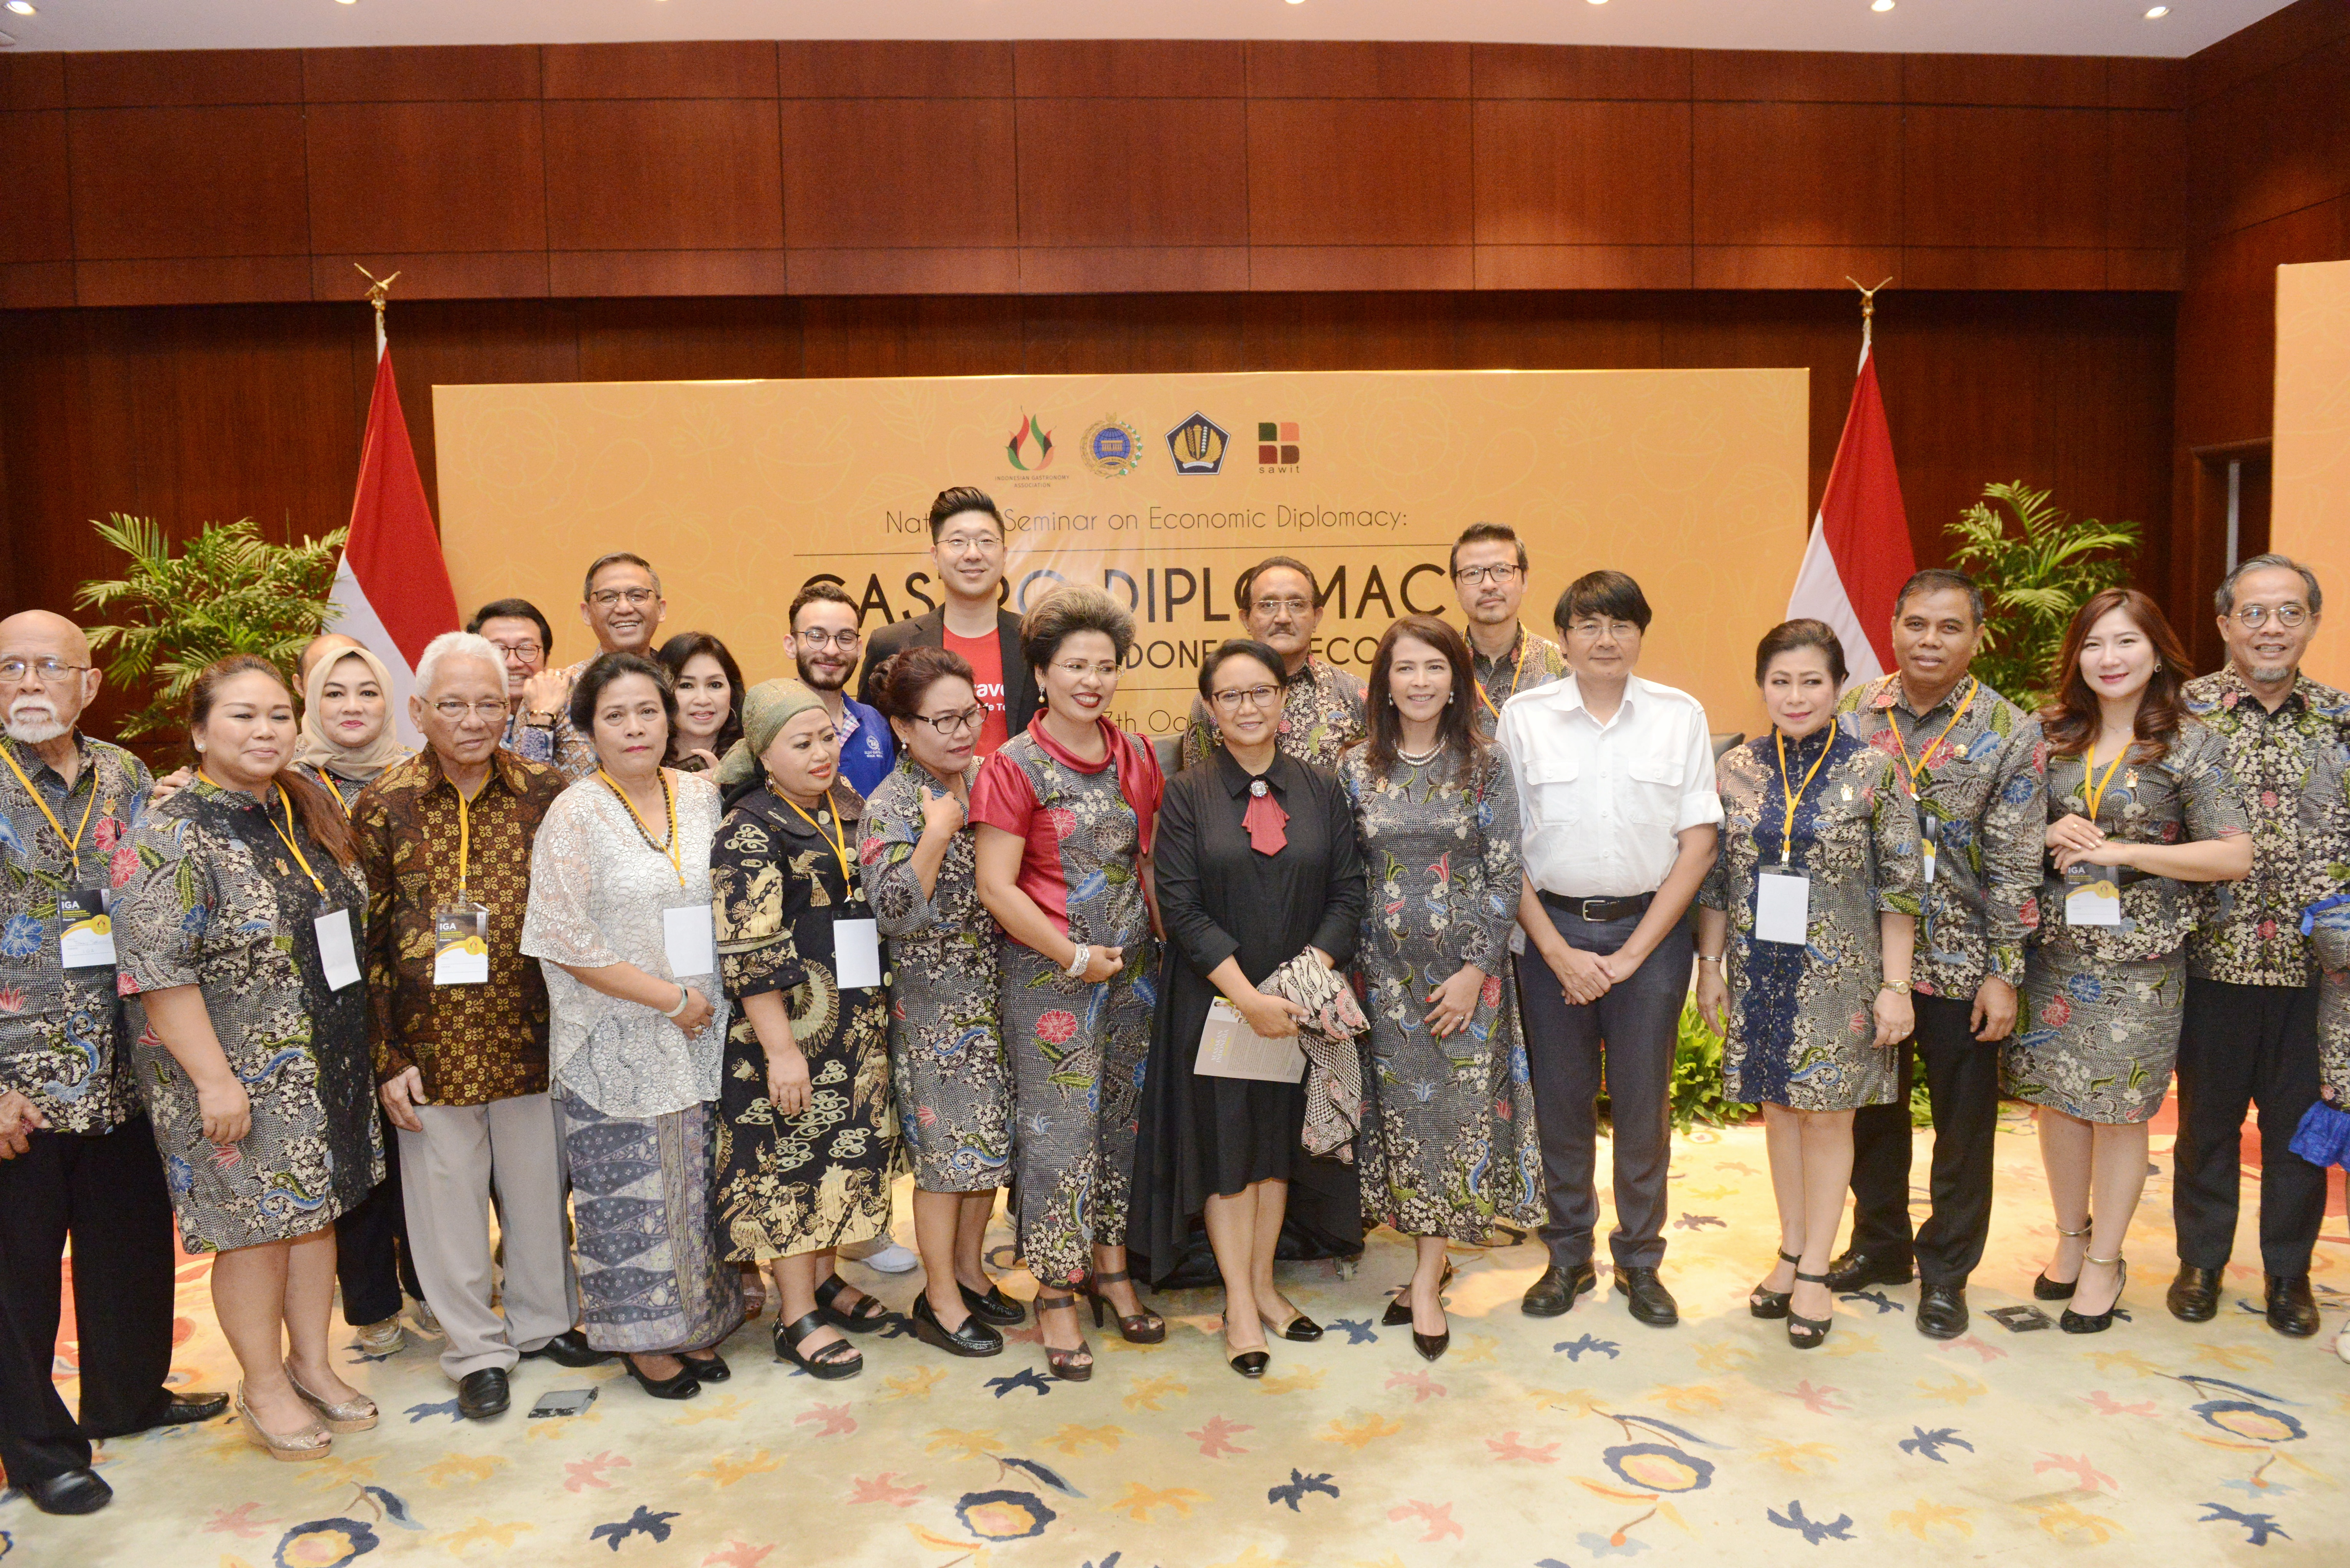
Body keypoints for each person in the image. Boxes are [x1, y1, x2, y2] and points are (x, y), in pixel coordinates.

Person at [113, 656, 384, 1461]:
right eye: (241, 716)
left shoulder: (298, 805)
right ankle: (263, 1380)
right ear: (199, 730)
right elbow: (156, 968)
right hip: (232, 1073)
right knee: (255, 1231)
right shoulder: (173, 829)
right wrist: (214, 1079)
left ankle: (311, 1359)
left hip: (320, 1060)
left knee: (315, 1214)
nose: (264, 730)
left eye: (277, 714)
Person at [0, 611, 225, 1515]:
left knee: (127, 1248)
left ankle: (128, 1397)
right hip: (21, 1081)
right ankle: (37, 1446)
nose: (28, 681)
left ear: (87, 684)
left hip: (130, 1064)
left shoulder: (124, 773)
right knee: (16, 1281)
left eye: (49, 666)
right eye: (10, 664)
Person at [354, 633, 603, 1424]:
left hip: (531, 1033)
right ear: (419, 710)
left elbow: (579, 916)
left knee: (537, 1195)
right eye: (453, 703)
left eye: (489, 702)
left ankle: (543, 1321)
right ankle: (476, 1349)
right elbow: (367, 942)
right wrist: (387, 1055)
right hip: (428, 1048)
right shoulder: (382, 804)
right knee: (444, 1204)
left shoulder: (548, 790)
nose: (472, 718)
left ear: (513, 706)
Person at [2005, 589, 2251, 1333]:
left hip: (2139, 961)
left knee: (2116, 1111)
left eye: (2124, 643)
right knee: (2057, 1101)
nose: (2107, 659)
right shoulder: (2047, 734)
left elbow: (2231, 853)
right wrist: (2048, 832)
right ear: (2074, 656)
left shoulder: (2188, 741)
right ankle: (2069, 1240)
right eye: (2092, 645)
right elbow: (2003, 829)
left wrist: (2123, 849)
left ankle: (2106, 1260)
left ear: (2155, 651)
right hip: (2055, 951)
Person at [1825, 569, 2046, 1340]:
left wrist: (2001, 972)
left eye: (1947, 627)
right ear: (1891, 624)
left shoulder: (2009, 730)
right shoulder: (1852, 712)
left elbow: (2017, 861)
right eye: (1915, 623)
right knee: (1871, 1115)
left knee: (1961, 1125)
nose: (1928, 640)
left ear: (1975, 636)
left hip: (1960, 959)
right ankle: (1879, 1245)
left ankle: (1946, 1269)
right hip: (1866, 958)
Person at [1136, 639, 1366, 1376]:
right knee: (1225, 1150)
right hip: (1216, 1000)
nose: (1247, 706)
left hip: (1297, 1001)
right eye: (1230, 695)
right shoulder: (1186, 792)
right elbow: (1179, 906)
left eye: (1260, 691)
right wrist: (1247, 996)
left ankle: (1265, 1285)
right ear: (1208, 707)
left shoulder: (1321, 787)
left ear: (1282, 699)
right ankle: (1238, 1301)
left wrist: (1301, 984)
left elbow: (1347, 895)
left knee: (1272, 1149)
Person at [1499, 570, 1721, 1328]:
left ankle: (1639, 1261)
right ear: (1560, 638)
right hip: (1548, 930)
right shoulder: (1522, 717)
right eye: (1587, 624)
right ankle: (1565, 1255)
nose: (1603, 639)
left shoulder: (1677, 715)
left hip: (1647, 936)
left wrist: (1628, 956)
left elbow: (1696, 846)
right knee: (1559, 1103)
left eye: (1619, 624)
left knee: (1641, 1103)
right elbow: (1504, 849)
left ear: (1638, 634)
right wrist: (1558, 950)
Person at [519, 652, 741, 1399]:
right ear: (587, 728)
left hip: (701, 1025)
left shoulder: (701, 795)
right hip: (617, 1031)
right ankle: (641, 1341)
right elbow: (564, 939)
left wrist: (695, 1005)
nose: (635, 726)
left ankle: (691, 1322)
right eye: (614, 714)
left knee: (690, 1183)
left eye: (648, 709)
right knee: (630, 1195)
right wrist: (665, 999)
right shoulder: (575, 811)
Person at [1696, 621, 1921, 1350]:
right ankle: (1790, 1248)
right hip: (1760, 974)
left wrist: (1895, 986)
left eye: (1811, 681)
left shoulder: (1874, 770)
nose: (1794, 696)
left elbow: (1899, 890)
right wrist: (1709, 965)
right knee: (1780, 1113)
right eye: (1779, 681)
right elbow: (1716, 882)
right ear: (1760, 684)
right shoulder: (1734, 768)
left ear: (1836, 687)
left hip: (1841, 978)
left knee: (1827, 1118)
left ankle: (1818, 1266)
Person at [971, 586, 1165, 1381]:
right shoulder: (1012, 765)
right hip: (1049, 972)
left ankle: (1110, 1265)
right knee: (1057, 1138)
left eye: (1105, 665)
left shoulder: (1138, 754)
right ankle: (1055, 1284)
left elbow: (1145, 864)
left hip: (1133, 972)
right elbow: (996, 886)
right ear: (1042, 673)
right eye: (1074, 665)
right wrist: (1071, 955)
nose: (1092, 679)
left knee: (1120, 1124)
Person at [1339, 616, 1539, 1363]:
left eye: (1433, 667)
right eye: (1404, 668)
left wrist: (1472, 970)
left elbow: (1503, 871)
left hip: (1465, 984)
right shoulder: (1354, 768)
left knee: (1452, 1119)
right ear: (1383, 682)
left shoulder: (1482, 764)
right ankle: (1430, 1255)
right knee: (1399, 1122)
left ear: (1456, 680)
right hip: (1381, 982)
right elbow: (1344, 875)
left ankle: (1424, 1276)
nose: (1418, 680)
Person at [709, 681, 904, 1381]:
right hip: (789, 1031)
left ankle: (820, 1279)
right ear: (763, 754)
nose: (822, 752)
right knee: (792, 1165)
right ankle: (798, 1318)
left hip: (851, 1024)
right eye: (802, 742)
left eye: (827, 736)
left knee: (840, 1157)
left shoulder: (841, 806)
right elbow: (748, 949)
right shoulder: (748, 828)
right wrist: (782, 1050)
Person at [2171, 555, 2345, 1338]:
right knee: (2203, 1122)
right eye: (2252, 612)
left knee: (2296, 1130)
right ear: (2222, 624)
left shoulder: (2342, 721)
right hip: (2209, 959)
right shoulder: (2178, 715)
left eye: (2287, 612)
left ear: (2310, 622)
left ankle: (2286, 1274)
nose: (2269, 627)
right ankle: (2199, 1260)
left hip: (2317, 974)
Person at [861, 647, 1020, 1357]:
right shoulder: (890, 802)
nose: (963, 732)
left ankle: (968, 1269)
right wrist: (935, 833)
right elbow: (891, 911)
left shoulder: (993, 777)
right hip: (934, 1007)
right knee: (945, 1159)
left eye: (971, 715)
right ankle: (940, 1298)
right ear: (901, 725)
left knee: (987, 1147)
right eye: (943, 720)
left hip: (1002, 991)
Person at [291, 643, 424, 1356]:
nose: (351, 707)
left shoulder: (414, 776)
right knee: (353, 1148)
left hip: (404, 988)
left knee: (416, 1146)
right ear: (311, 701)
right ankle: (371, 1300)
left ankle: (429, 1286)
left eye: (367, 693)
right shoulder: (284, 785)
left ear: (389, 703)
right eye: (334, 693)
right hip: (324, 998)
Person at [858, 488, 1039, 758]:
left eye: (986, 541)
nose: (973, 554)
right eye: (957, 542)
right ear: (934, 556)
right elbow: (872, 744)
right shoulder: (892, 644)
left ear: (1004, 554)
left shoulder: (1037, 641)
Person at [1180, 557, 1366, 771]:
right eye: (1268, 605)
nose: (1283, 618)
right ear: (1246, 620)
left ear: (1317, 617)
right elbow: (1196, 790)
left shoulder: (1353, 695)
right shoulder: (1220, 698)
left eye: (1297, 605)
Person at [511, 554, 669, 780]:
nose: (624, 608)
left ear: (661, 609)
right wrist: (542, 719)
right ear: (586, 613)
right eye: (608, 597)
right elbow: (524, 788)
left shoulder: (683, 683)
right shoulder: (554, 691)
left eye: (637, 596)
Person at [1449, 523, 1567, 739]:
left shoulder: (1563, 666)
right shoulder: (1439, 664)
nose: (1488, 585)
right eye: (1472, 573)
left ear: (1524, 580)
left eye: (1502, 571)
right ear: (1456, 588)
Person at [792, 584, 896, 799]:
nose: (832, 650)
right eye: (817, 636)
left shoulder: (876, 722)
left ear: (858, 648)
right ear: (791, 645)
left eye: (845, 638)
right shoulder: (770, 722)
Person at [467, 598, 558, 751]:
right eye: (498, 650)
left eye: (526, 648)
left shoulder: (573, 715)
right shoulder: (464, 721)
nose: (513, 663)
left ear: (547, 658)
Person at [656, 631, 745, 776]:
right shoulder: (644, 763)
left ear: (733, 692)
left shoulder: (757, 764)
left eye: (715, 685)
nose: (703, 700)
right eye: (686, 686)